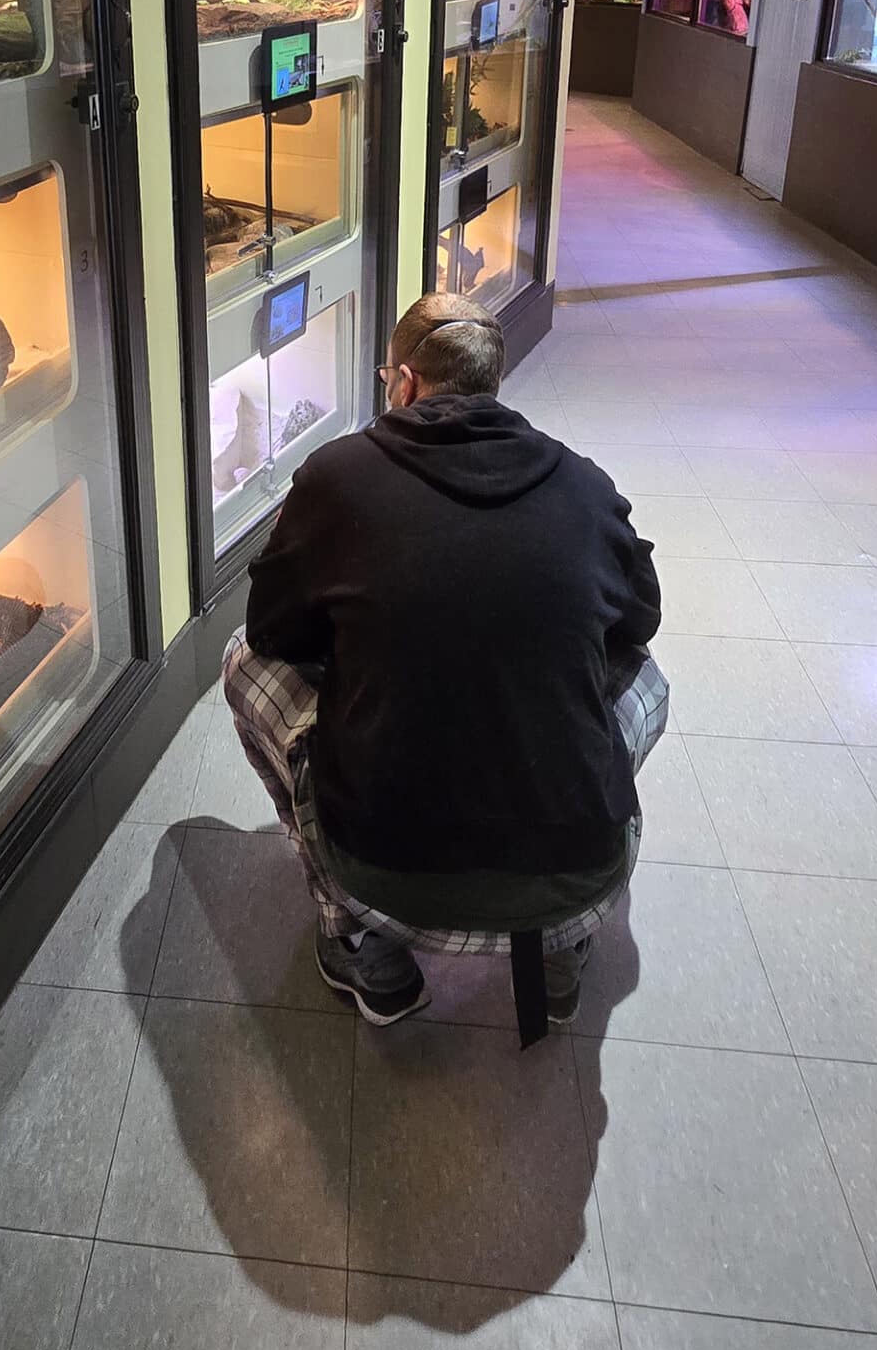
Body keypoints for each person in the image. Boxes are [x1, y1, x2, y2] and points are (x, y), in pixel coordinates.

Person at [224, 291, 664, 1034]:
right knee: (643, 674)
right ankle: (562, 947)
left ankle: (361, 943)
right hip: (575, 871)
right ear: (493, 385)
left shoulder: (337, 478)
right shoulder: (585, 487)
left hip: (384, 874)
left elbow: (270, 629)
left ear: (401, 384)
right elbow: (639, 622)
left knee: (243, 664)